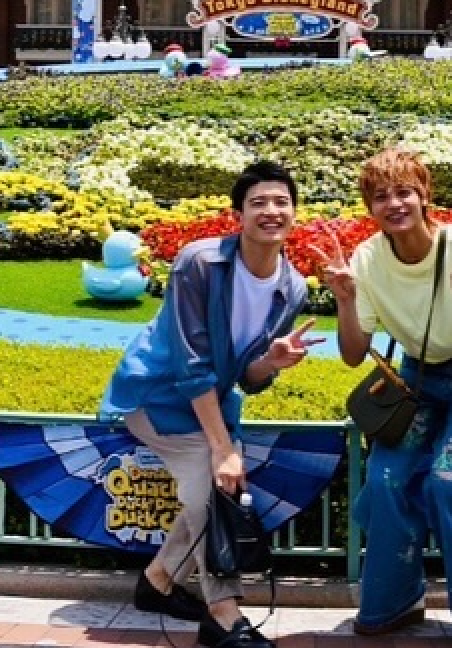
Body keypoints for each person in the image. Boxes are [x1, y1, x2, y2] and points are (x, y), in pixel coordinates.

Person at [100, 161, 322, 648]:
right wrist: (222, 448)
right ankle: (223, 613)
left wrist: (270, 362)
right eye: (258, 203)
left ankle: (158, 580)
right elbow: (191, 363)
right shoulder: (199, 263)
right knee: (211, 492)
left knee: (221, 489)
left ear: (294, 212)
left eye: (281, 202)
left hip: (209, 405)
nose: (271, 211)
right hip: (157, 395)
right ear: (238, 215)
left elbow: (248, 378)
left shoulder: (292, 288)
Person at [312, 148, 452, 648]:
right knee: (385, 480)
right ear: (370, 206)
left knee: (450, 479)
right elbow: (353, 354)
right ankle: (395, 601)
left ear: (425, 195)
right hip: (418, 382)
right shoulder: (367, 259)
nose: (394, 204)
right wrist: (345, 300)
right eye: (381, 196)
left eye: (404, 192)